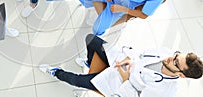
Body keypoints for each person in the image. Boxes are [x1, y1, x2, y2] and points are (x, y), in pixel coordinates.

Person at [40, 34, 203, 97]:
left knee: (77, 80)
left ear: (181, 75)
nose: (168, 58)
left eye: (175, 62)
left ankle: (56, 73)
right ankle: (90, 62)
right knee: (91, 39)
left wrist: (126, 79)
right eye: (176, 54)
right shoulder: (167, 53)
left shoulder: (166, 91)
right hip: (122, 61)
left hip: (117, 83)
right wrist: (129, 58)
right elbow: (141, 53)